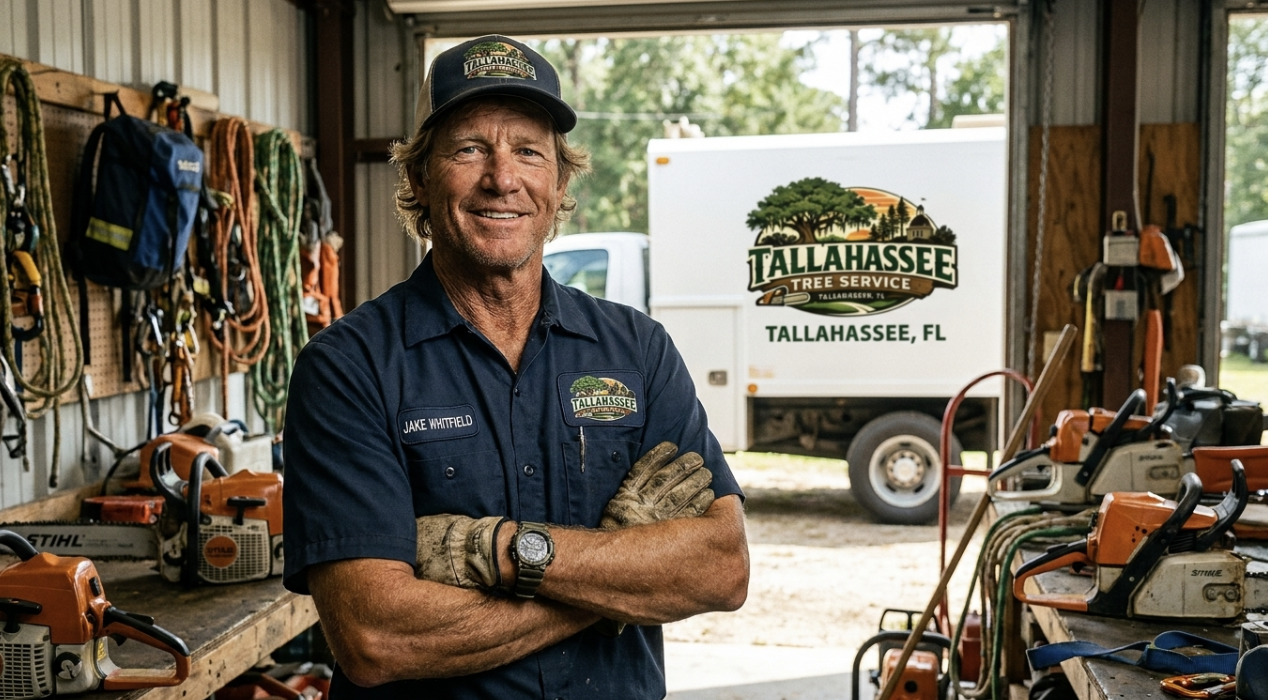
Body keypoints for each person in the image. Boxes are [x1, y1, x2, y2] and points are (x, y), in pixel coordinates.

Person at [282, 34, 749, 699]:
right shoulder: (349, 368)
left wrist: (494, 549)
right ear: (419, 177)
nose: (503, 179)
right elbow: (375, 636)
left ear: (559, 183)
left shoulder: (638, 351)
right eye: (470, 149)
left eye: (529, 152)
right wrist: (619, 577)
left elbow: (721, 568)